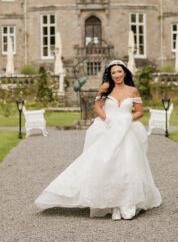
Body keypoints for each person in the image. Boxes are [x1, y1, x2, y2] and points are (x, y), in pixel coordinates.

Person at [34, 60, 162, 220]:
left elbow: (139, 112)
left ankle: (126, 203)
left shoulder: (133, 91)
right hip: (108, 129)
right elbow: (97, 107)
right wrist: (107, 120)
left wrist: (126, 120)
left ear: (125, 73)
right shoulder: (105, 88)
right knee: (105, 163)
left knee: (128, 165)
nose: (117, 75)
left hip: (127, 131)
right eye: (113, 72)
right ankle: (111, 204)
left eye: (119, 72)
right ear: (110, 74)